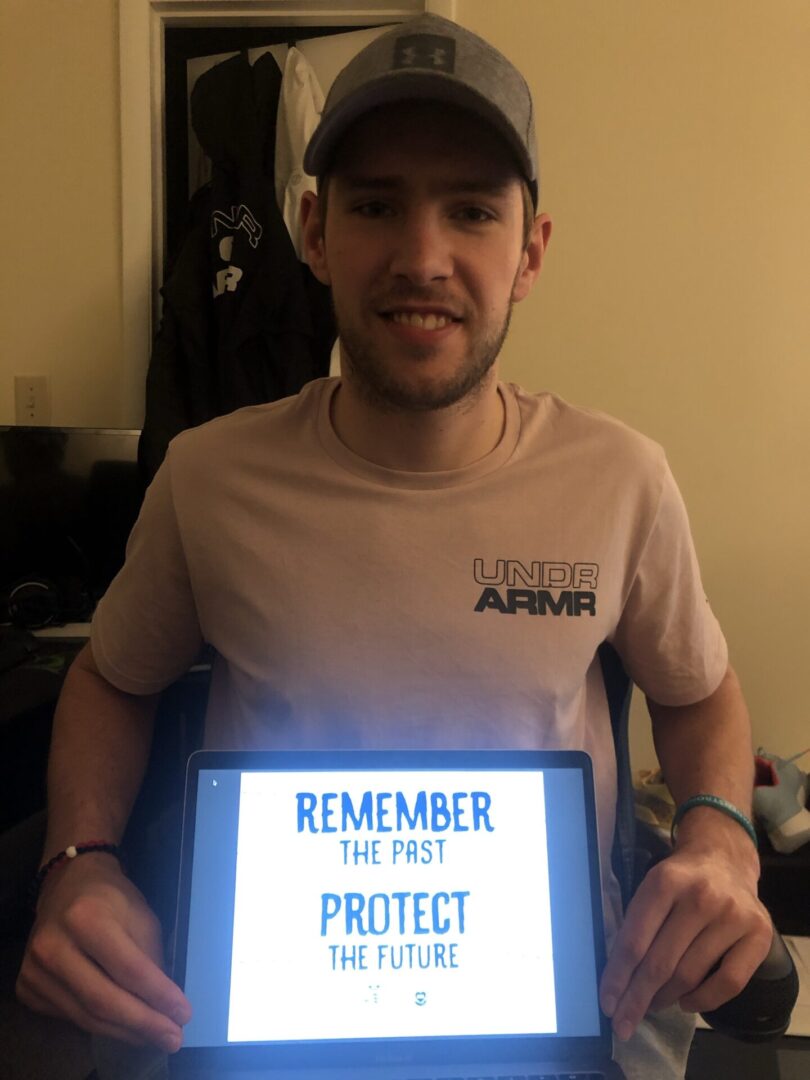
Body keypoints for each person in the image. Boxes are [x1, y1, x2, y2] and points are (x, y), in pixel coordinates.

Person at [16, 13, 772, 1079]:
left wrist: (721, 839)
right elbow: (109, 678)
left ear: (530, 252)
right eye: (377, 205)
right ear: (316, 233)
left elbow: (700, 690)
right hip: (270, 1031)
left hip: (557, 1020)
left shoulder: (621, 479)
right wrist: (76, 862)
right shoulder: (208, 475)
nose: (424, 259)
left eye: (471, 210)